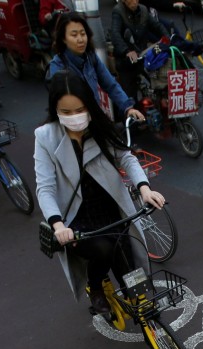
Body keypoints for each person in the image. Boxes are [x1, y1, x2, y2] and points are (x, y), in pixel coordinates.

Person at [34, 72, 166, 315]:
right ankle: (95, 287)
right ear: (55, 110)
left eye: (80, 109)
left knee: (131, 272)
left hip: (110, 208)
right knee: (103, 250)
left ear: (89, 105)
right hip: (74, 221)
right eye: (67, 112)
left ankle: (147, 321)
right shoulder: (45, 137)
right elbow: (45, 188)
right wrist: (58, 225)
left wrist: (144, 188)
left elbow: (126, 156)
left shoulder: (100, 125)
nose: (75, 117)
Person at [46, 11, 144, 124]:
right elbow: (62, 106)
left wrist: (128, 108)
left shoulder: (91, 58)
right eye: (74, 35)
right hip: (74, 125)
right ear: (63, 39)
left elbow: (110, 85)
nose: (80, 39)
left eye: (83, 34)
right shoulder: (57, 68)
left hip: (95, 120)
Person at [109, 0, 169, 104]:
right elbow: (115, 34)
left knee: (160, 85)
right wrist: (126, 51)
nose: (134, 1)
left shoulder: (144, 10)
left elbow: (157, 26)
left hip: (142, 56)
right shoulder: (118, 11)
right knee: (129, 100)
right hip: (126, 61)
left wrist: (167, 38)